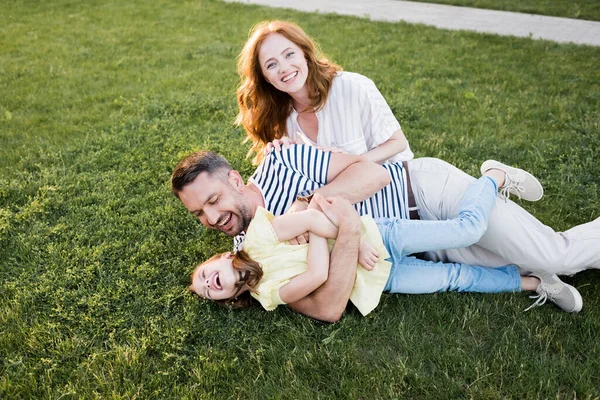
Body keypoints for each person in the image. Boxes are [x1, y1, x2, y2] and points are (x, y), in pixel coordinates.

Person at [171, 145, 600, 322]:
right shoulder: (246, 260)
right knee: (525, 266)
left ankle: (493, 178)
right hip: (422, 253)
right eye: (199, 215)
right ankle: (536, 277)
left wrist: (312, 201)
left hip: (425, 193)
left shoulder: (285, 159)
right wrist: (348, 235)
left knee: (557, 256)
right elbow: (326, 304)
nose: (211, 218)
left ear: (232, 178)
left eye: (212, 201)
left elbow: (373, 173)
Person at [236, 20, 412, 165]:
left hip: (395, 186)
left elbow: (398, 143)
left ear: (304, 54)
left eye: (289, 54)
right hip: (342, 197)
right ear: (265, 77)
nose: (284, 68)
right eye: (271, 65)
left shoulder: (352, 87)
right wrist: (284, 156)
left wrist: (350, 161)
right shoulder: (280, 116)